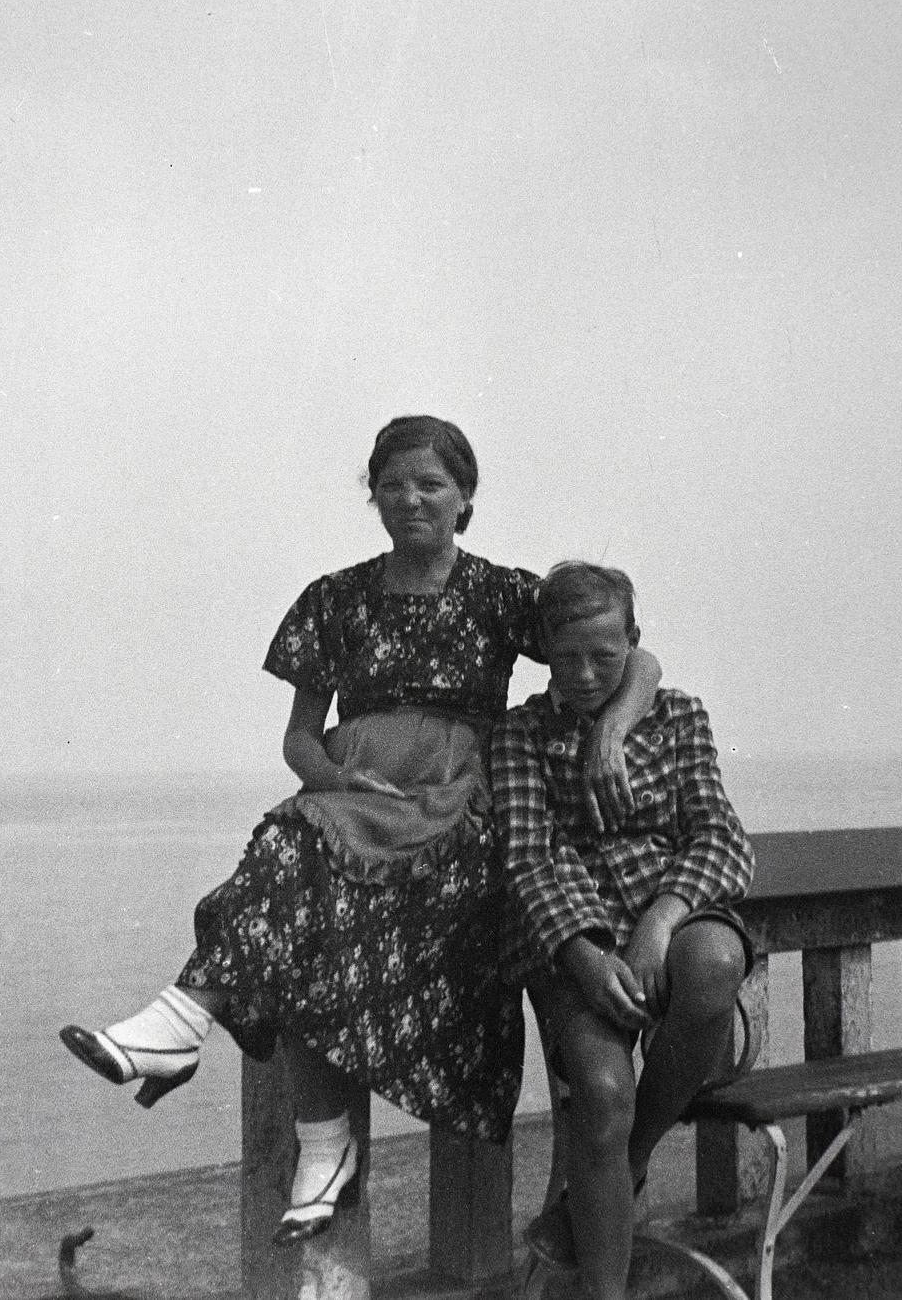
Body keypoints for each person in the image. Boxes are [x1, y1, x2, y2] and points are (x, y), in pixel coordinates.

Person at [60, 417, 664, 1246]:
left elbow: (635, 657)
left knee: (300, 912)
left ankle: (292, 1123)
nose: (411, 498)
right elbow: (299, 739)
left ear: (465, 501)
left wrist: (610, 730)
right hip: (362, 792)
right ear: (372, 495)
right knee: (284, 852)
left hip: (459, 802)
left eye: (432, 485)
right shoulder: (333, 598)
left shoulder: (501, 594)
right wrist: (339, 779)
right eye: (393, 484)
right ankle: (195, 1036)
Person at [493, 562, 754, 1300]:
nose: (582, 674)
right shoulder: (520, 737)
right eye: (565, 656)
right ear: (543, 649)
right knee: (603, 1093)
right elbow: (530, 858)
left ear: (633, 642)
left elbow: (720, 837)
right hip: (576, 943)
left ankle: (624, 1167)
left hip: (667, 919)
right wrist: (586, 955)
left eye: (604, 657)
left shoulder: (679, 718)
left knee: (713, 961)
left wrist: (660, 925)